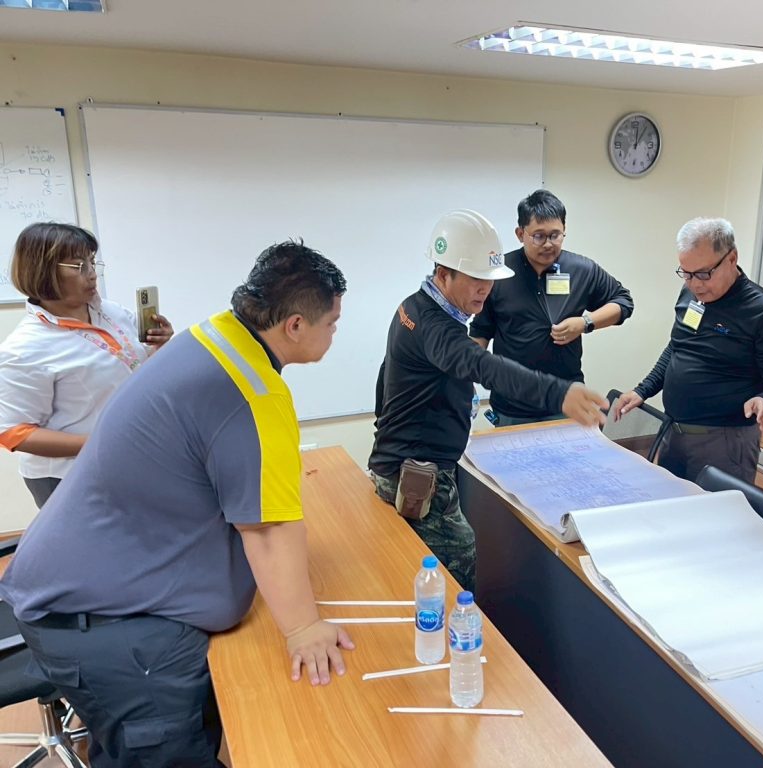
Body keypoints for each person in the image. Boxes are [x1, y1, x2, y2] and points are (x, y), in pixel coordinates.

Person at [0, 241, 354, 767]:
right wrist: (304, 629)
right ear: (295, 325)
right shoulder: (255, 393)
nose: (335, 332)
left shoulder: (214, 336)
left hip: (88, 586)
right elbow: (268, 530)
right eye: (332, 322)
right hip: (105, 626)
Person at [370, 209, 608, 590]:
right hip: (417, 474)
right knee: (457, 557)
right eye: (476, 280)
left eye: (490, 280)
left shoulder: (412, 307)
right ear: (443, 274)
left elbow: (387, 373)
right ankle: (460, 626)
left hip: (401, 462)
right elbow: (484, 365)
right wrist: (559, 392)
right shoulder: (436, 327)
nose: (486, 289)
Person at [0, 222, 174, 508]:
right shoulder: (25, 348)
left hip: (128, 457)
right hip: (67, 476)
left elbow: (136, 371)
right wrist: (97, 443)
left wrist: (160, 345)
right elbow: (13, 433)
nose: (92, 274)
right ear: (43, 270)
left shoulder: (113, 313)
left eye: (92, 262)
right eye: (79, 266)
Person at [613, 217, 763, 484]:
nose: (695, 284)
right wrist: (643, 390)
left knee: (718, 508)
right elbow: (678, 346)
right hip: (674, 431)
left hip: (725, 441)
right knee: (672, 501)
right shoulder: (691, 294)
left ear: (731, 258)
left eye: (703, 274)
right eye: (686, 273)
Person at [469, 190, 633, 426]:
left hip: (566, 401)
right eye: (539, 236)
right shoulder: (498, 274)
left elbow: (624, 302)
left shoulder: (582, 269)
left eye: (555, 235)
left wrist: (585, 323)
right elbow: (480, 333)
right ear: (520, 234)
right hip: (513, 404)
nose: (548, 244)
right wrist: (466, 381)